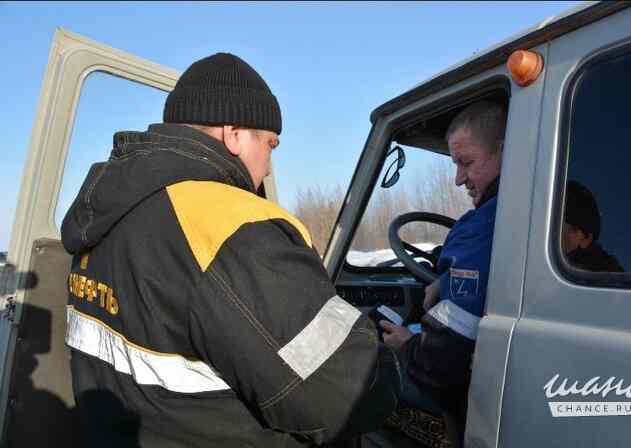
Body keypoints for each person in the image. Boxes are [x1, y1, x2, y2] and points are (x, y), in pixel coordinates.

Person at [61, 53, 400, 448]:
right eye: (270, 144)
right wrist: (394, 361)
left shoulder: (108, 210)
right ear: (234, 133)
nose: (269, 167)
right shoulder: (225, 225)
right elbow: (341, 395)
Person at [380, 100, 505, 426]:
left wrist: (406, 348)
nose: (458, 179)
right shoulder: (521, 212)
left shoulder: (485, 223)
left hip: (469, 391)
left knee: (371, 384)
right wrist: (446, 282)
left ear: (505, 151)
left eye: (466, 162)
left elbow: (445, 355)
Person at [562, 180, 624, 272]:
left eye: (572, 229)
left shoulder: (603, 276)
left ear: (586, 240)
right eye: (557, 224)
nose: (561, 233)